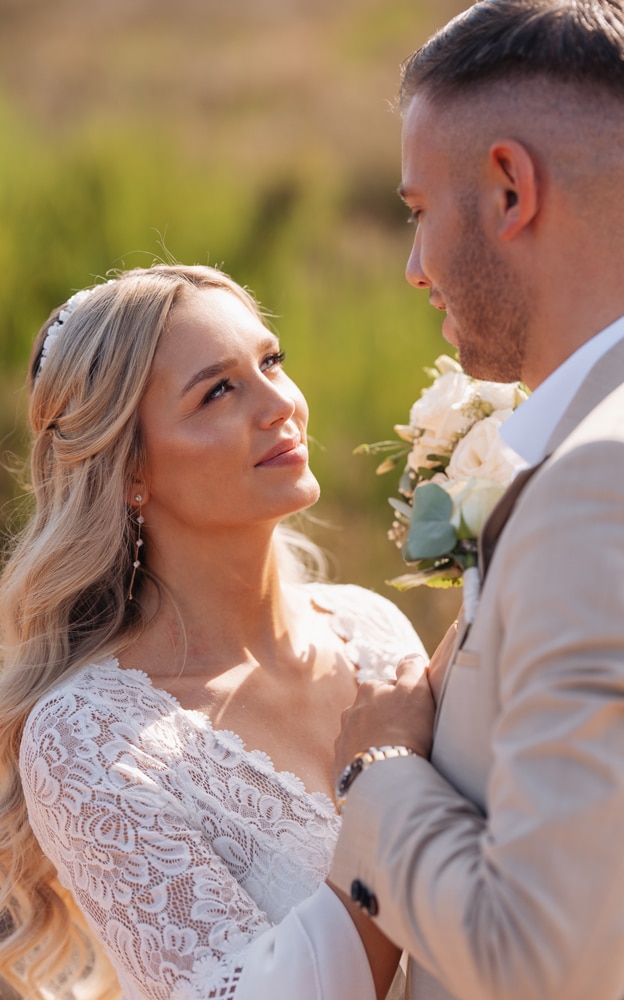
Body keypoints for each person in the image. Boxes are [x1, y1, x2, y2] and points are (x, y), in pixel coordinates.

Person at [328, 2, 624, 999]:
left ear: (511, 188)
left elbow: (543, 962)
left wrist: (376, 770)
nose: (411, 267)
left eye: (417, 211)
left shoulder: (609, 481)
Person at [0, 263, 427, 1000]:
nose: (280, 406)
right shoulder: (88, 736)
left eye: (270, 362)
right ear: (131, 468)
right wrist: (380, 781)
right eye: (218, 391)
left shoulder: (372, 626)